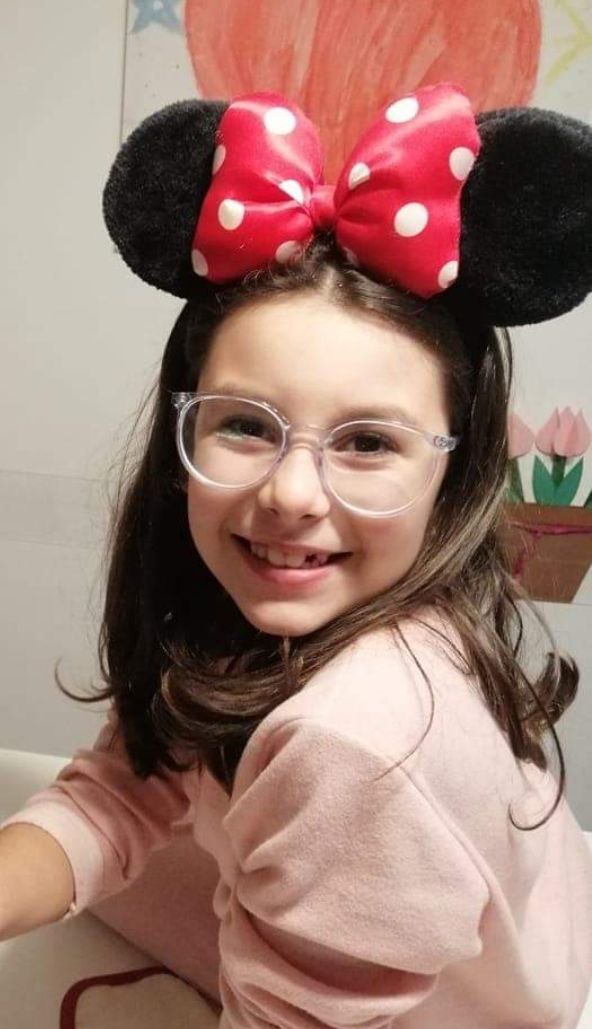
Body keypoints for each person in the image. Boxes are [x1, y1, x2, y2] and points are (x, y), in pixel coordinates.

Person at [1, 84, 592, 1027]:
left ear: (455, 471)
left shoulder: (352, 744)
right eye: (244, 425)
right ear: (182, 437)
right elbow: (127, 787)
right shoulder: (252, 609)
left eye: (368, 442)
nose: (291, 494)